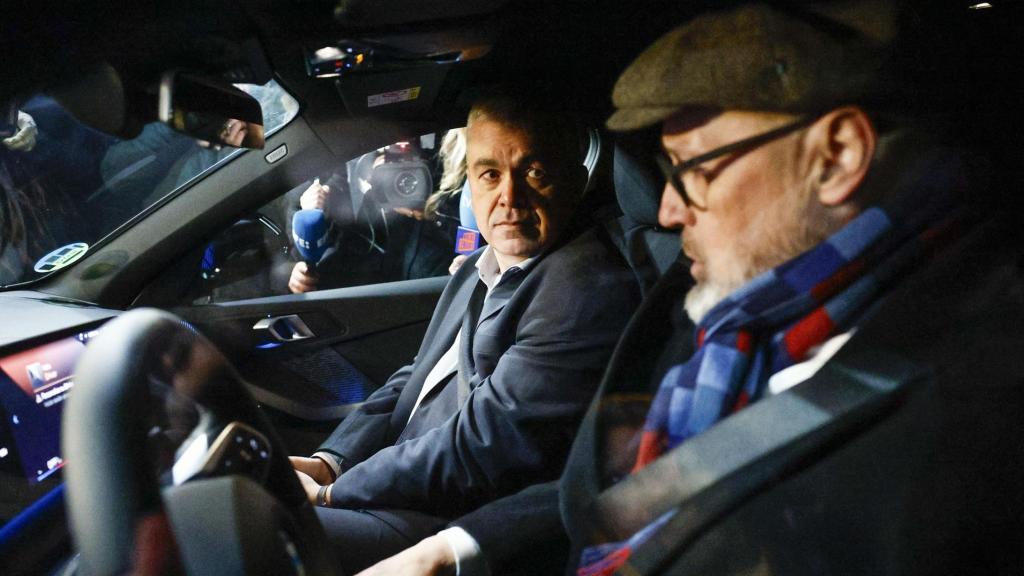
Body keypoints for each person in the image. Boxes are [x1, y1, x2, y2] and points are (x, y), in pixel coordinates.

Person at [360, 2, 1024, 575]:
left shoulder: (979, 398)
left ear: (837, 156)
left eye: (692, 170)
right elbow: (641, 485)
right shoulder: (741, 311)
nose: (669, 212)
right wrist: (457, 546)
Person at [289, 91, 642, 573]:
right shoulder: (481, 265)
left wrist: (333, 493)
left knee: (254, 534)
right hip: (395, 487)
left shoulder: (585, 289)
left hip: (443, 518)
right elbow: (416, 377)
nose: (509, 197)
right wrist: (331, 459)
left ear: (575, 183)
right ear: (471, 185)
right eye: (491, 174)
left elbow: (480, 448)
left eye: (534, 172)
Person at [286, 131, 464, 293]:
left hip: (426, 278)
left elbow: (467, 233)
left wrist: (433, 211)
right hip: (364, 280)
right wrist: (299, 271)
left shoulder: (447, 165)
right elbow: (308, 243)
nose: (400, 177)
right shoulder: (336, 171)